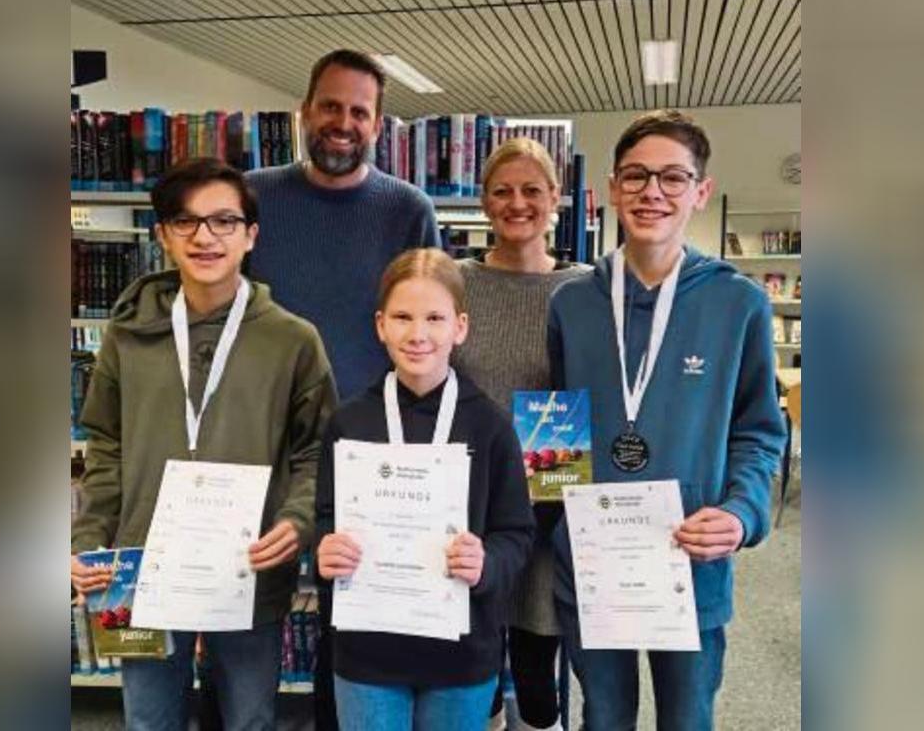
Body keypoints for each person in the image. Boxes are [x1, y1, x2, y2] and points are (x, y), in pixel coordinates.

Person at [70, 157, 337, 731]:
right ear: (163, 235)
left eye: (223, 221)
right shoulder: (128, 334)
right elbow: (106, 446)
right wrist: (90, 540)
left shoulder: (293, 340)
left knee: (249, 720)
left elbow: (315, 450)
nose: (205, 237)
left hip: (248, 566)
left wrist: (296, 522)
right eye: (185, 222)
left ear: (250, 235)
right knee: (148, 721)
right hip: (139, 569)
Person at [547, 110, 786, 730]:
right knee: (603, 717)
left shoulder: (738, 303)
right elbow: (555, 430)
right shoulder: (571, 302)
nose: (652, 191)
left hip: (691, 566)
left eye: (673, 178)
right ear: (611, 188)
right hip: (593, 569)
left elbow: (759, 432)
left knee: (687, 718)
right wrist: (554, 530)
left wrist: (741, 514)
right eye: (636, 176)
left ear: (700, 191)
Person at [315, 248, 536, 731]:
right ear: (380, 325)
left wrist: (488, 563)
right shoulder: (348, 422)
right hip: (368, 652)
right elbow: (325, 518)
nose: (418, 334)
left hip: (460, 654)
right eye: (402, 317)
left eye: (434, 318)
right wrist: (323, 548)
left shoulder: (491, 426)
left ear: (460, 327)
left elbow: (516, 534)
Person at [452, 137, 590, 731]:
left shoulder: (586, 288)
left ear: (556, 198)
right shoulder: (455, 281)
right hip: (467, 503)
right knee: (474, 651)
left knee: (537, 656)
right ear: (483, 201)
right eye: (502, 191)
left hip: (549, 504)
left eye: (532, 189)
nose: (517, 203)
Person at [245, 48, 440, 402]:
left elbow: (430, 333)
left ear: (377, 127)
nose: (343, 123)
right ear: (306, 112)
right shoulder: (250, 197)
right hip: (263, 422)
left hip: (374, 432)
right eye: (331, 106)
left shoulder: (409, 211)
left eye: (359, 112)